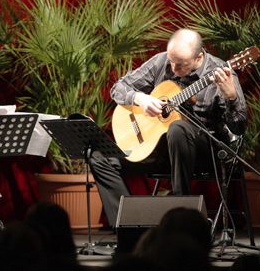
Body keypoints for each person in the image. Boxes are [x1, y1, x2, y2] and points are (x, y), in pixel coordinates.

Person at [90, 28, 247, 226]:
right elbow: (118, 88)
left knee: (178, 129)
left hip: (202, 152)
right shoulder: (162, 61)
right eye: (171, 61)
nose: (172, 69)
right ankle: (127, 224)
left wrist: (231, 97)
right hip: (159, 149)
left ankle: (181, 219)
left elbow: (239, 127)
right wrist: (140, 99)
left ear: (199, 57)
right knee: (98, 158)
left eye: (180, 65)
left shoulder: (222, 73)